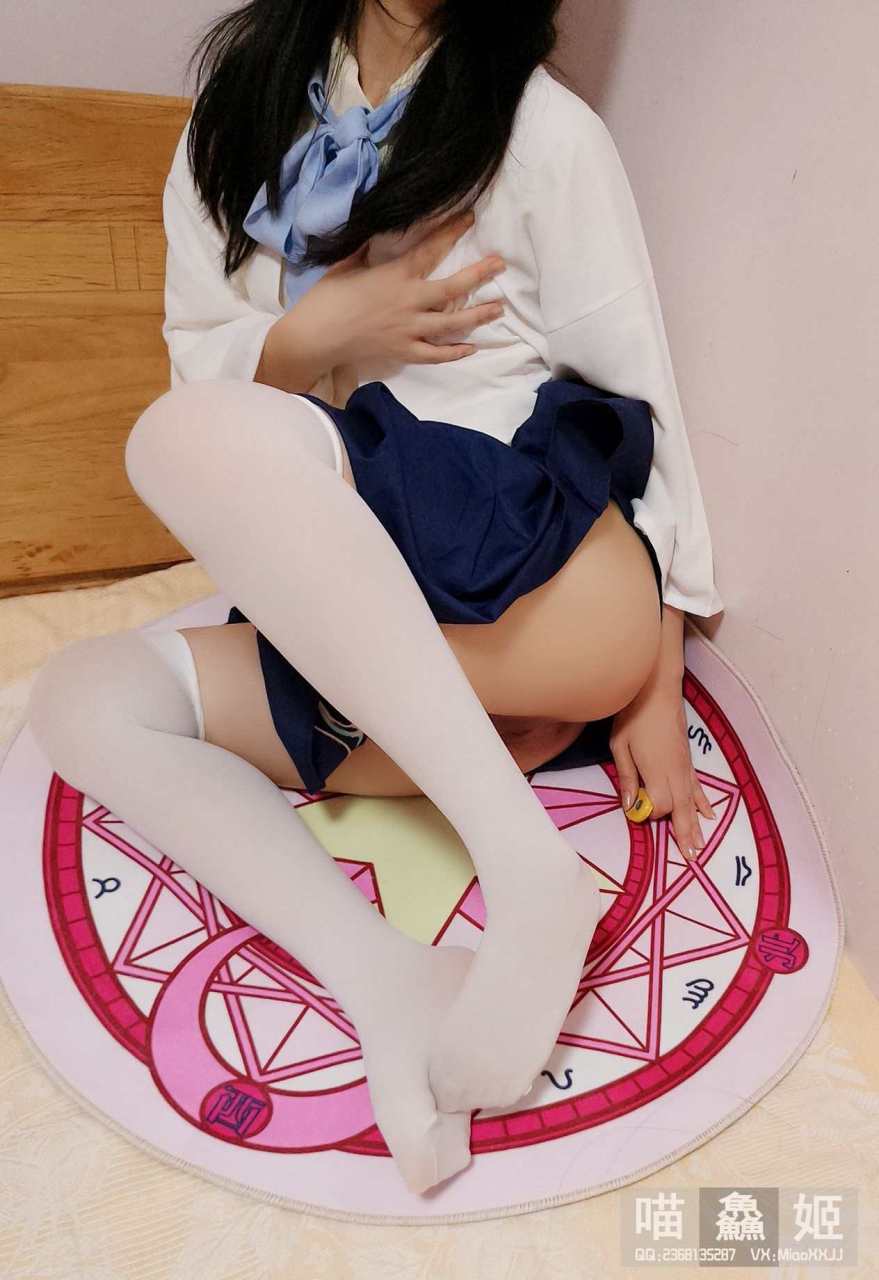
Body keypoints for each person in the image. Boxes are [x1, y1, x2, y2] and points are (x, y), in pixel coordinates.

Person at [26, 0, 722, 1193]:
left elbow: (641, 402)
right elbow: (203, 369)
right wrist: (322, 330)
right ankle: (385, 978)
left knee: (180, 440)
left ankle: (525, 865)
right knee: (80, 695)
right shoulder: (237, 118)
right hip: (362, 602)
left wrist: (655, 674)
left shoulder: (544, 134)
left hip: (527, 557)